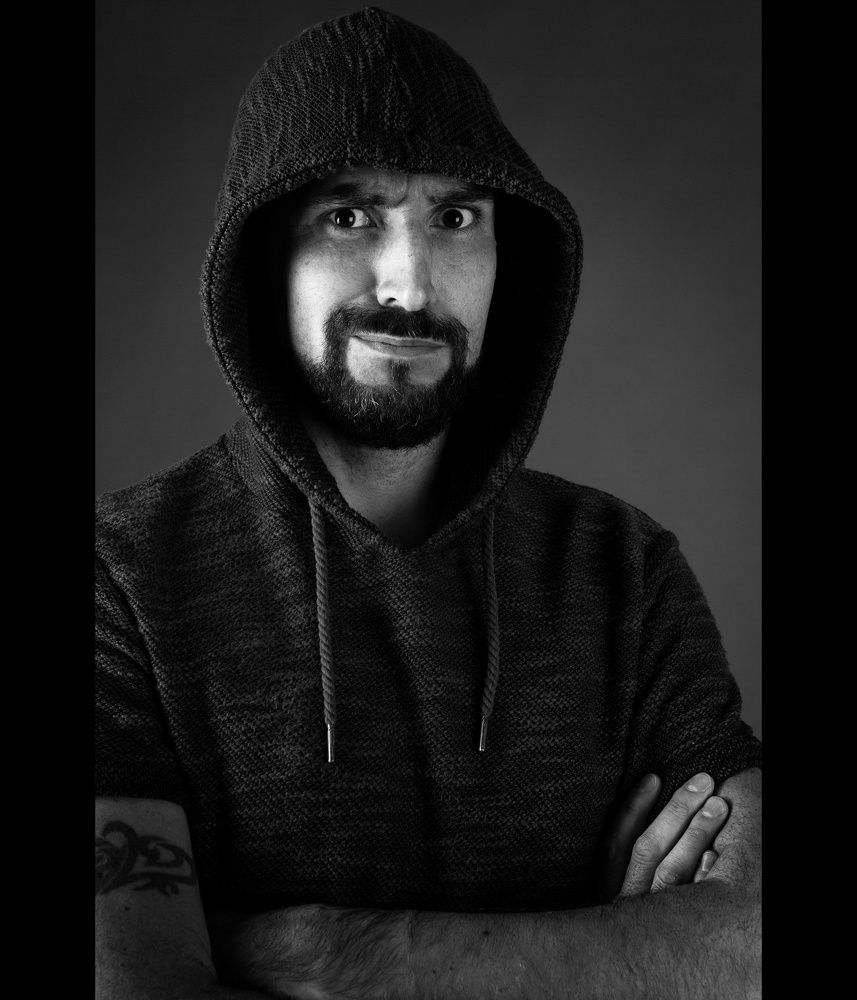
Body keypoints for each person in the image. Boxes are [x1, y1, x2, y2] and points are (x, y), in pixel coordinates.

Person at [95, 7, 761, 998]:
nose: (408, 286)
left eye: (454, 219)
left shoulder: (620, 567)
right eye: (349, 216)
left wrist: (344, 957)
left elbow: (749, 945)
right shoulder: (120, 580)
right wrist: (610, 956)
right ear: (261, 259)